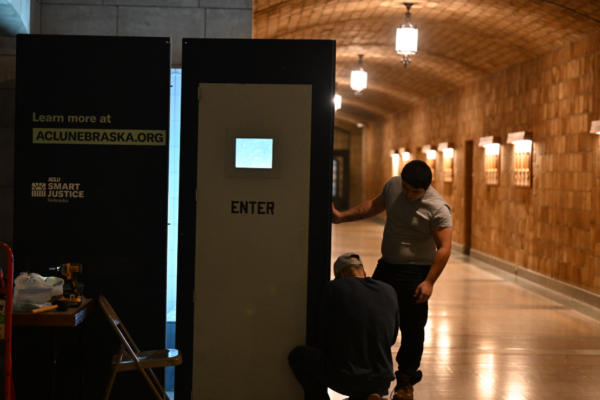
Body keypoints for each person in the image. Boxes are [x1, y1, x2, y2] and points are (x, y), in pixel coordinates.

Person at [332, 160, 453, 400]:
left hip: (415, 273)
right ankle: (373, 384)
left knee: (412, 329)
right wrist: (340, 217)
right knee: (374, 323)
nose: (408, 194)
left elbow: (444, 247)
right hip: (386, 267)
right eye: (406, 187)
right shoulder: (393, 186)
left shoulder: (438, 208)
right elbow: (372, 207)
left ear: (427, 188)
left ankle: (405, 382)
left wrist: (429, 282)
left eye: (415, 192)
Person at [288, 253, 400, 400]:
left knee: (298, 356)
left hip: (349, 379)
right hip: (383, 381)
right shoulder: (389, 290)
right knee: (358, 371)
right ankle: (370, 394)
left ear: (341, 275)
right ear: (364, 273)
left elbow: (324, 338)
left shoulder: (334, 287)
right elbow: (391, 338)